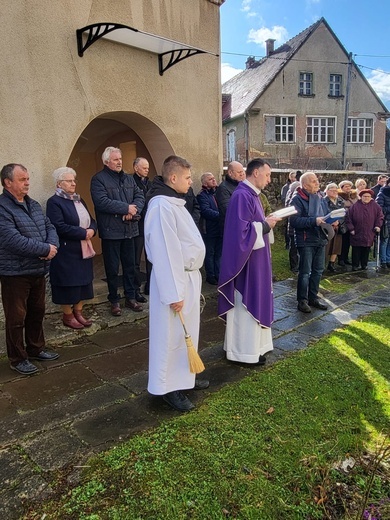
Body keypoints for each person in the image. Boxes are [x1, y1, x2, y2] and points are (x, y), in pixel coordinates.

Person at [144, 155, 206, 412]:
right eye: (188, 178)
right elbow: (165, 253)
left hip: (188, 277)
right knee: (170, 336)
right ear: (173, 178)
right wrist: (173, 293)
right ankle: (168, 388)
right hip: (174, 281)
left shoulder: (174, 203)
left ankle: (185, 376)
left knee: (186, 334)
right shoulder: (161, 207)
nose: (191, 183)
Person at [218, 158, 280, 365]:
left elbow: (253, 225)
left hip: (256, 259)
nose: (269, 180)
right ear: (255, 173)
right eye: (268, 174)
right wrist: (265, 225)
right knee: (245, 305)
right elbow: (240, 233)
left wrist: (266, 223)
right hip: (246, 264)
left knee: (258, 299)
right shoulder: (242, 196)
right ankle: (242, 353)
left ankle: (255, 349)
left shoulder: (252, 195)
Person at [0, 163, 60, 375]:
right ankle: (17, 359)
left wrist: (51, 247)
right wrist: (44, 249)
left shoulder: (32, 204)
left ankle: (36, 348)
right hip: (15, 274)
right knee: (16, 318)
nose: (27, 183)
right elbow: (11, 239)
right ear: (8, 182)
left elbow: (49, 226)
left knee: (37, 312)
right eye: (22, 179)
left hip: (37, 269)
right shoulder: (2, 208)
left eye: (27, 179)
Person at [90, 147, 145, 316]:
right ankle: (114, 300)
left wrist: (133, 211)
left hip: (130, 230)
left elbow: (140, 196)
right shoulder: (98, 179)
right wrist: (125, 208)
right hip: (111, 232)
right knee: (112, 269)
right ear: (106, 162)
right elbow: (102, 202)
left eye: (120, 158)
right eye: (115, 159)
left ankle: (130, 297)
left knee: (130, 267)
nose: (119, 161)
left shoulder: (129, 179)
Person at [46, 167, 97, 329]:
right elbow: (58, 226)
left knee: (83, 282)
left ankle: (79, 312)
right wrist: (83, 233)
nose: (73, 183)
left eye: (74, 180)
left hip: (83, 249)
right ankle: (68, 316)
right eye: (69, 181)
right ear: (59, 184)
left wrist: (92, 230)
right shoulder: (54, 202)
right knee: (68, 284)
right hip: (67, 251)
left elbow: (92, 220)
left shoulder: (79, 200)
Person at [289, 172, 329, 313]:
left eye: (317, 180)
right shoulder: (297, 199)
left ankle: (313, 298)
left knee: (318, 271)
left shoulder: (320, 196)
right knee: (305, 272)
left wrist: (332, 220)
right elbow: (294, 221)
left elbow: (326, 213)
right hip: (306, 240)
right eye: (313, 181)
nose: (317, 183)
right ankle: (302, 301)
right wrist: (314, 220)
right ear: (305, 185)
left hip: (320, 238)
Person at [346, 189, 383, 271]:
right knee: (356, 249)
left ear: (371, 197)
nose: (366, 198)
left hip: (369, 231)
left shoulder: (375, 206)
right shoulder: (355, 206)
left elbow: (380, 217)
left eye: (368, 196)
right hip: (357, 231)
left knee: (366, 249)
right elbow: (348, 218)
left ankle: (364, 264)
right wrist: (351, 228)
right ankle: (355, 265)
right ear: (361, 197)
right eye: (364, 196)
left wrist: (378, 226)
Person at [197, 172, 222, 285]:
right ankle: (210, 275)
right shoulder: (202, 195)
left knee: (218, 253)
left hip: (219, 228)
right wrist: (221, 216)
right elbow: (206, 211)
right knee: (210, 253)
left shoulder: (217, 193)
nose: (214, 180)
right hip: (209, 229)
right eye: (210, 179)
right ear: (205, 183)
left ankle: (218, 274)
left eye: (214, 178)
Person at [132, 157, 152, 299]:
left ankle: (150, 286)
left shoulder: (150, 184)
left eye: (147, 168)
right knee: (135, 260)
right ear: (135, 168)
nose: (147, 170)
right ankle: (136, 289)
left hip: (150, 225)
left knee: (151, 258)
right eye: (144, 168)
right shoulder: (130, 182)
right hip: (138, 226)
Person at [215, 161, 245, 234]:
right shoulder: (223, 188)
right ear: (230, 173)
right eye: (239, 172)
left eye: (243, 172)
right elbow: (228, 210)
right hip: (231, 229)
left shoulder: (242, 186)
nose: (242, 174)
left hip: (242, 226)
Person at [323, 183, 345, 272]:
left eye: (336, 190)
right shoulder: (323, 201)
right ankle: (322, 265)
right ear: (327, 191)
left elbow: (343, 213)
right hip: (327, 226)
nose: (334, 192)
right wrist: (331, 222)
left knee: (336, 246)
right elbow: (323, 213)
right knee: (327, 246)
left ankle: (331, 264)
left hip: (338, 226)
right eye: (332, 190)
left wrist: (338, 222)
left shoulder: (340, 201)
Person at [337, 180, 358, 266]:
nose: (348, 188)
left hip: (353, 220)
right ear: (341, 188)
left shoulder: (354, 196)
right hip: (344, 221)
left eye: (349, 186)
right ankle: (341, 258)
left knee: (349, 241)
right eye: (346, 186)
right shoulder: (340, 197)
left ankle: (346, 258)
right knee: (342, 240)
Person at [376, 177, 390, 268]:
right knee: (384, 240)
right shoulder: (383, 192)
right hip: (386, 221)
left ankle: (389, 259)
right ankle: (383, 260)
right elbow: (379, 208)